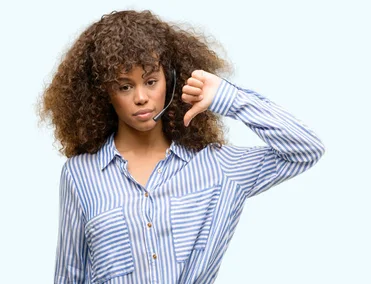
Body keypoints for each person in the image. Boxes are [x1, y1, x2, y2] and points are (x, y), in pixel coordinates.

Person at [38, 9, 325, 284]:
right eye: (124, 86)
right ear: (104, 93)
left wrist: (227, 97)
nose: (141, 97)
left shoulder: (217, 168)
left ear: (171, 80)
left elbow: (305, 148)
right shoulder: (80, 175)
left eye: (151, 81)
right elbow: (69, 276)